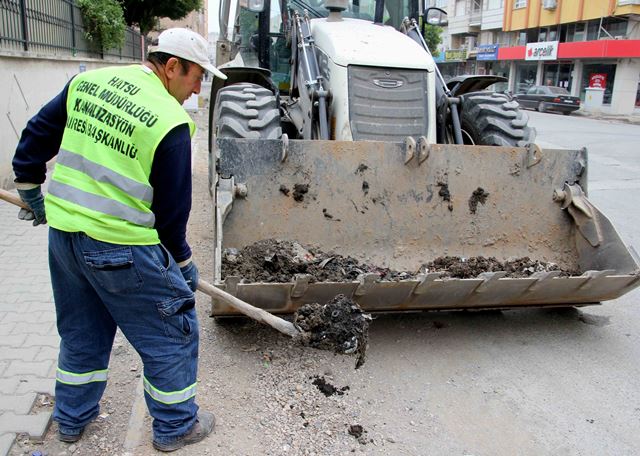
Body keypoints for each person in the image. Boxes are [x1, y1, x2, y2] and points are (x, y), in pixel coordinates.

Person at [11, 28, 227, 452]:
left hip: (66, 240)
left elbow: (36, 136)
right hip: (120, 250)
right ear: (171, 66)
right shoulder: (170, 122)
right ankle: (177, 425)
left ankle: (71, 420)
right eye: (196, 75)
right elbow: (170, 219)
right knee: (172, 332)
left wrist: (32, 193)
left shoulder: (87, 83)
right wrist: (183, 266)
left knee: (81, 333)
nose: (198, 87)